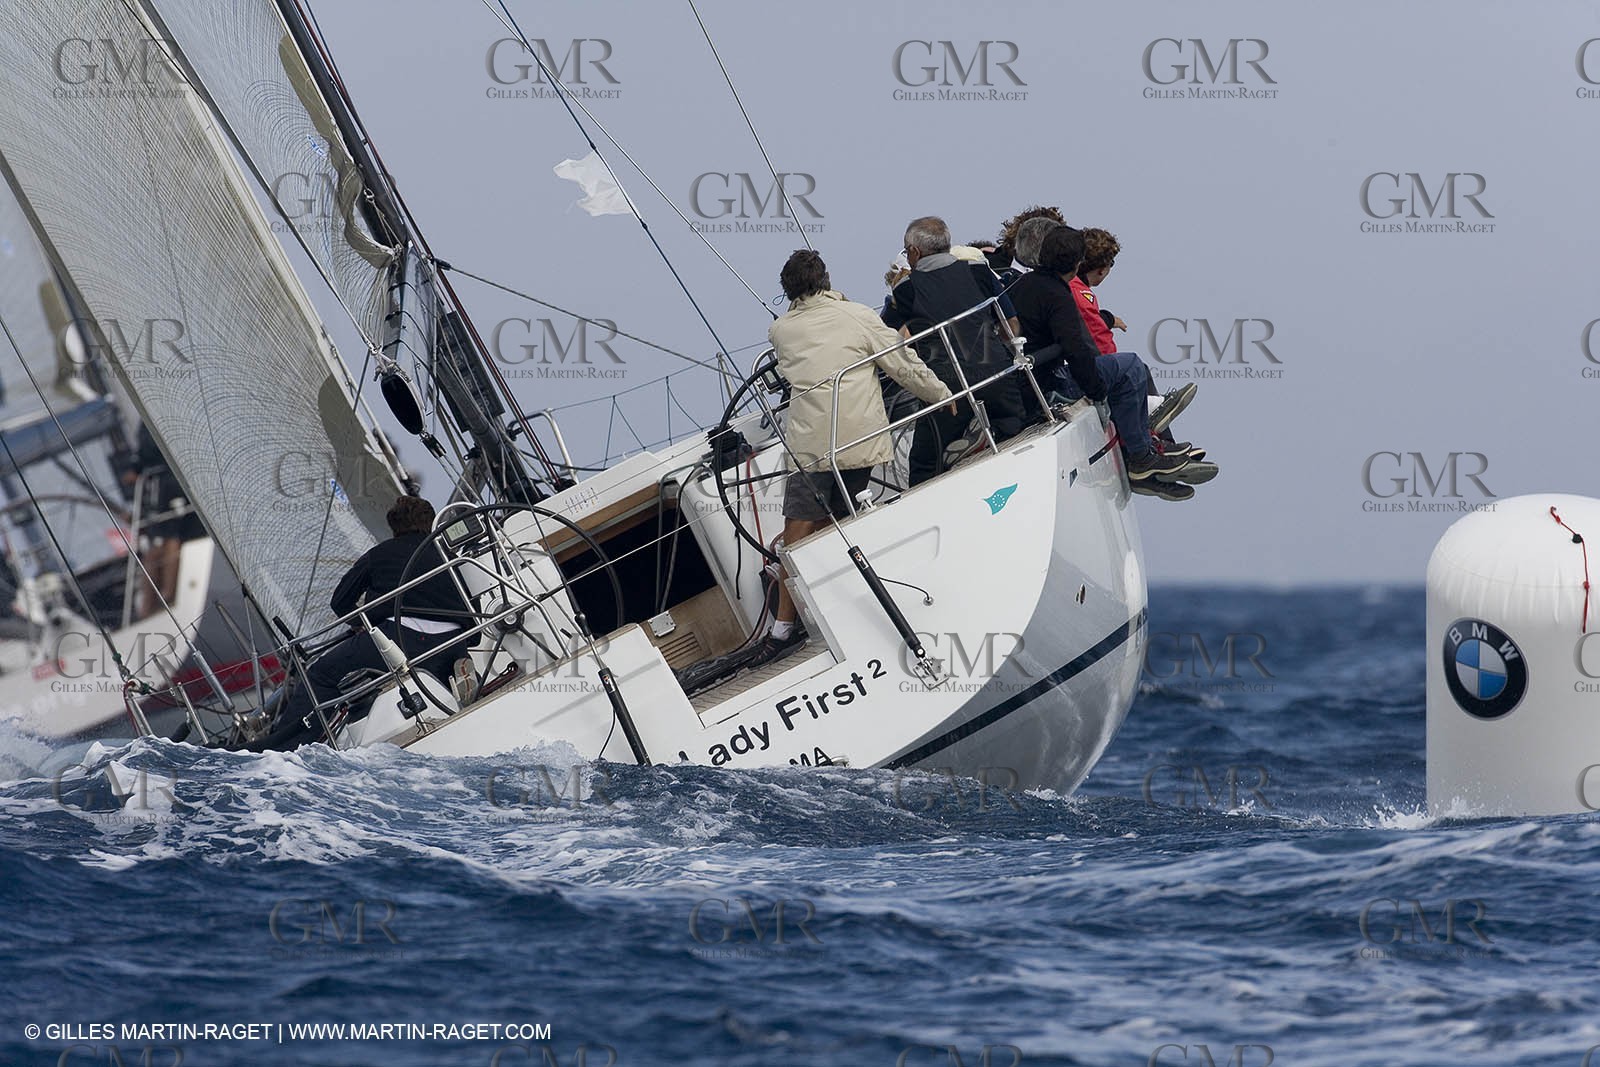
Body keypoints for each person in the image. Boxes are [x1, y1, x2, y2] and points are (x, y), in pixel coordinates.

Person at [749, 249, 954, 669]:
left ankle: (783, 630)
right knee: (838, 522)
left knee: (797, 536)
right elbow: (902, 365)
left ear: (787, 290)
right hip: (858, 442)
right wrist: (941, 393)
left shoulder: (780, 330)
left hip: (810, 448)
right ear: (825, 280)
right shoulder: (858, 315)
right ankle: (840, 610)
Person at [252, 494, 476, 749]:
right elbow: (471, 608)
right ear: (429, 521)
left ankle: (285, 746)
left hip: (397, 640)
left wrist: (364, 623)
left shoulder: (379, 555)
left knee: (321, 674)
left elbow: (340, 601)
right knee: (434, 664)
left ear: (394, 526)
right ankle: (460, 679)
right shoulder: (446, 552)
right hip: (452, 642)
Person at [1007, 226, 1198, 496]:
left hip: (1025, 381)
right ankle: (1142, 455)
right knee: (1130, 366)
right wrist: (1097, 392)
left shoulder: (1023, 285)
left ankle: (1145, 443)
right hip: (1049, 384)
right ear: (1077, 264)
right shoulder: (1059, 296)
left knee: (1129, 369)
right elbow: (1077, 351)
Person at [882, 216, 1026, 485]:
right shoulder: (978, 269)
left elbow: (903, 339)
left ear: (914, 251)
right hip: (995, 371)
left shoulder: (905, 289)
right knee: (1015, 430)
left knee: (924, 467)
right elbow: (1011, 326)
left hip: (948, 388)